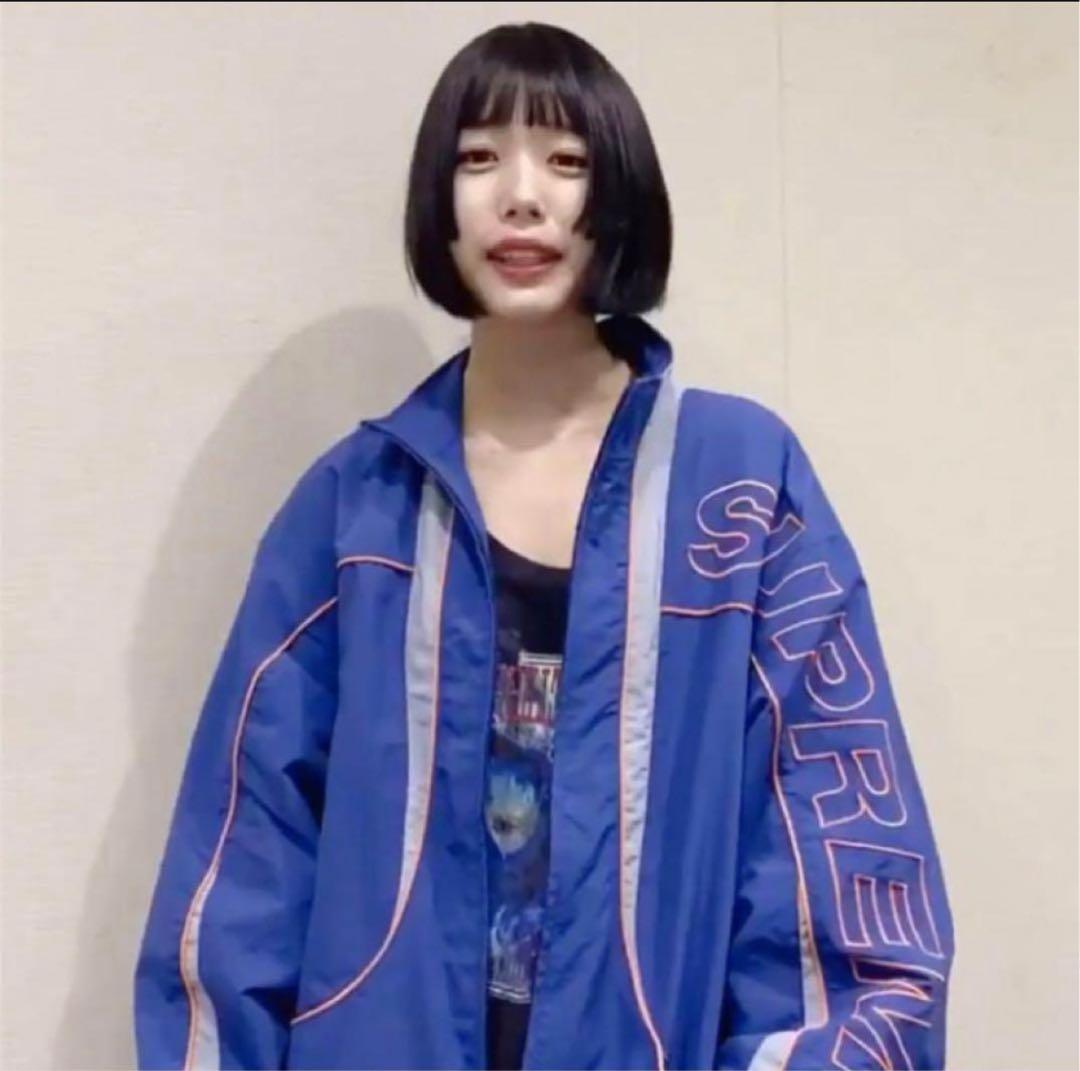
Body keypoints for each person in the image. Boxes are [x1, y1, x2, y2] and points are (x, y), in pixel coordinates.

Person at [133, 21, 955, 1071]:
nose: (521, 197)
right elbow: (242, 872)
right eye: (479, 158)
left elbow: (836, 872)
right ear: (438, 200)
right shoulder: (356, 507)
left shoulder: (739, 490)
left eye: (566, 162)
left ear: (621, 196)